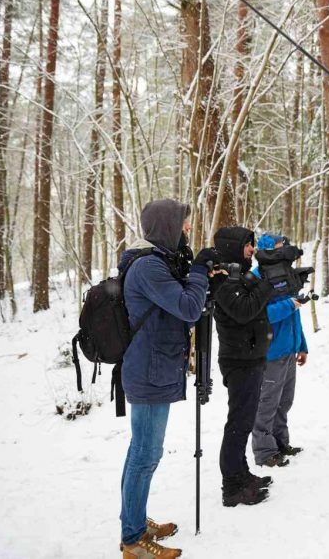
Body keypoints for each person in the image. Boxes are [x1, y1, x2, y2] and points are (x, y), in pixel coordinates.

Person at [119, 199, 219, 559]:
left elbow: (184, 302)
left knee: (143, 453)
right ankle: (132, 541)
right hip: (148, 372)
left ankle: (134, 521)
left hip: (154, 367)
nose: (188, 229)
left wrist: (198, 271)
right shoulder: (148, 268)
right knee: (144, 455)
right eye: (183, 224)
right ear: (167, 227)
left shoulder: (160, 262)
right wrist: (199, 270)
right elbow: (189, 308)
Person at [212, 226, 276, 507]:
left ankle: (242, 473)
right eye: (247, 245)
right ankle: (232, 486)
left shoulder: (239, 277)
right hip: (239, 362)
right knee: (238, 424)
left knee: (245, 420)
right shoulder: (224, 283)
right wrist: (265, 283)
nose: (252, 249)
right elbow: (245, 310)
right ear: (233, 247)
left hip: (250, 358)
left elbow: (254, 304)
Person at [252, 233, 309, 468]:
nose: (284, 248)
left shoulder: (285, 274)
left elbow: (295, 313)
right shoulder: (257, 277)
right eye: (279, 245)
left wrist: (302, 345)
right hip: (271, 351)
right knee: (267, 403)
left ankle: (280, 442)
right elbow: (261, 315)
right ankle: (265, 452)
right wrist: (290, 304)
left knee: (284, 402)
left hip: (289, 349)